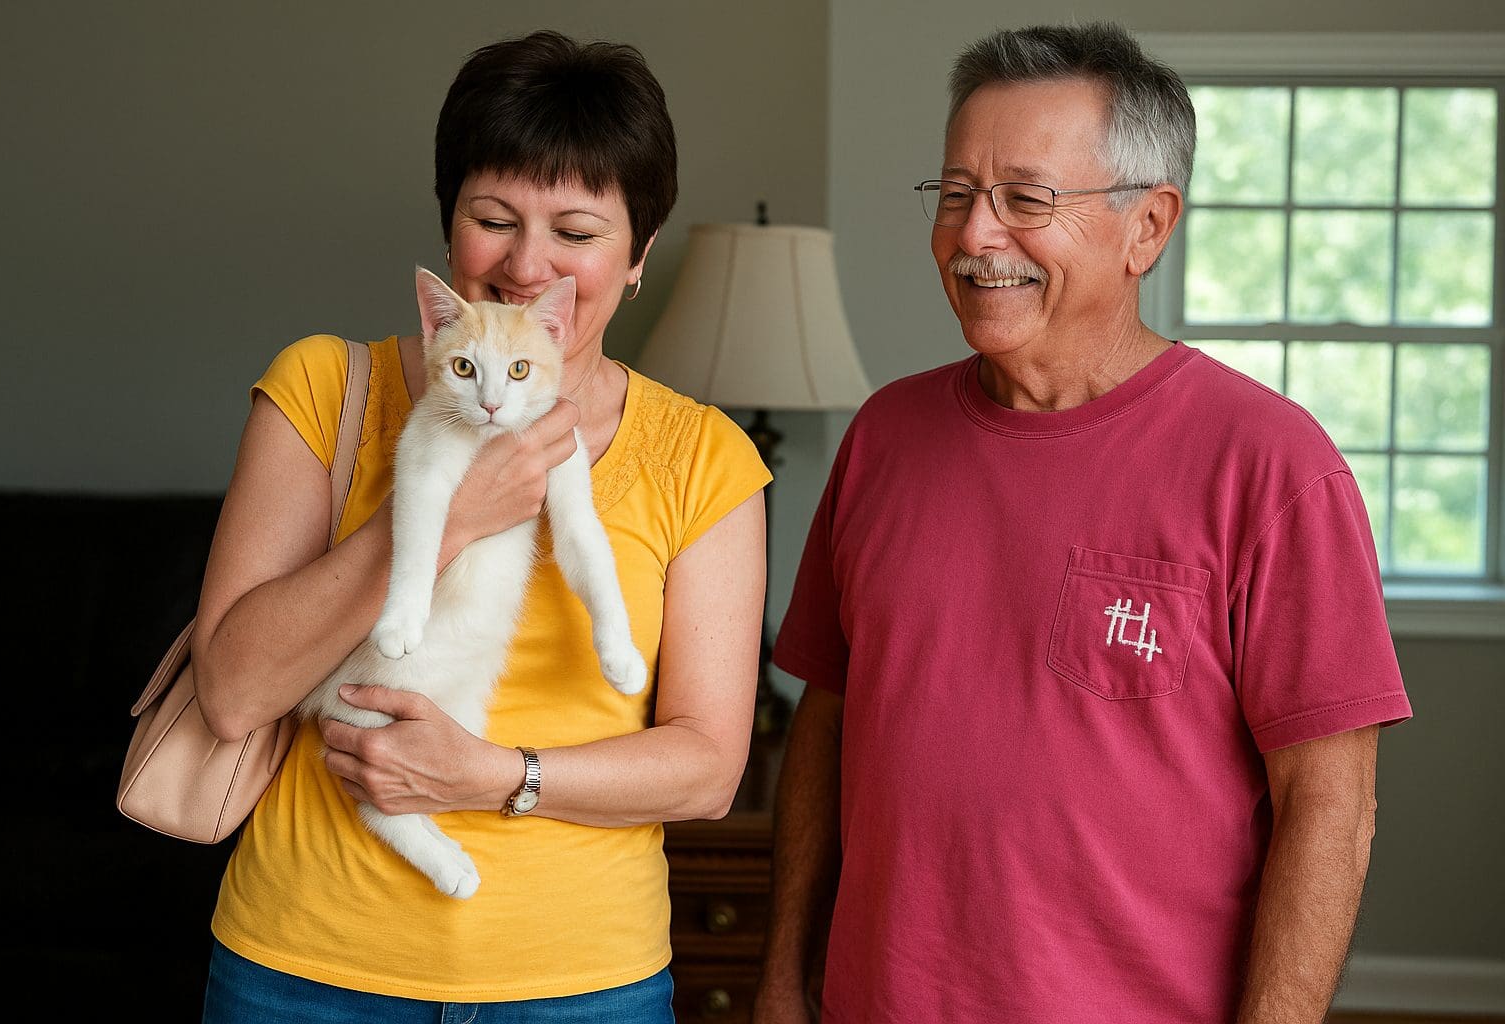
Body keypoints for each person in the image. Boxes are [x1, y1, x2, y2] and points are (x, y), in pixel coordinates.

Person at [753, 21, 1413, 1024]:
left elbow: (1333, 805)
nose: (975, 236)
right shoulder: (885, 435)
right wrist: (781, 981)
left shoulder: (1272, 466)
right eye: (958, 194)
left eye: (1025, 199)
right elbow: (827, 725)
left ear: (1147, 226)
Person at [189, 29, 771, 1021]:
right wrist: (450, 516)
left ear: (639, 257)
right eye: (492, 218)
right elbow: (232, 691)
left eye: (577, 233)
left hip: (582, 984)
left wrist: (497, 776)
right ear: (449, 227)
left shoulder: (698, 454)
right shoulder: (327, 390)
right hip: (307, 968)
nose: (525, 263)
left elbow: (710, 767)